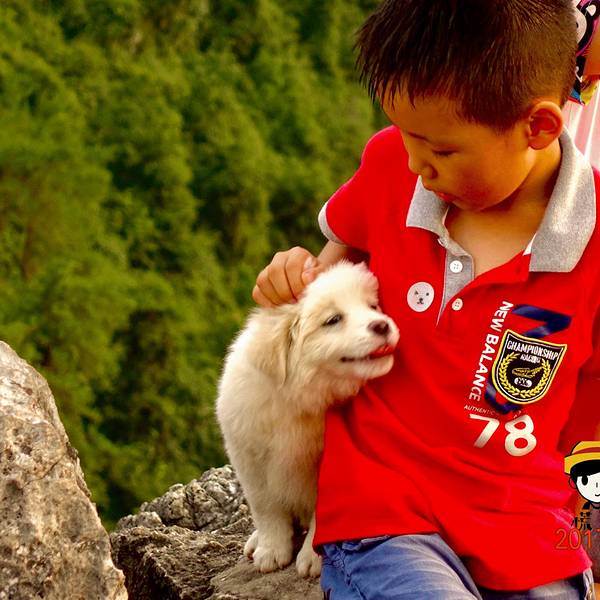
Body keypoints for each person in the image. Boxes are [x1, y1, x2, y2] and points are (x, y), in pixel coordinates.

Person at [253, 1, 599, 598]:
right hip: (386, 511)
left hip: (525, 524)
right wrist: (289, 278)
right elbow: (319, 285)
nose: (417, 165)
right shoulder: (390, 165)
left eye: (440, 150)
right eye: (407, 137)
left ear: (538, 128)